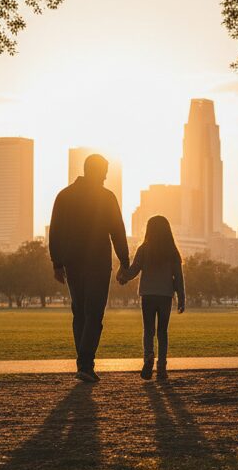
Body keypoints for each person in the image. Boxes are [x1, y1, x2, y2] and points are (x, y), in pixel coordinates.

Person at [48, 153, 129, 383]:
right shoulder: (106, 197)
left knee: (80, 312)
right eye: (104, 170)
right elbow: (118, 231)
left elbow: (55, 231)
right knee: (94, 313)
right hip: (98, 262)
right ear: (95, 170)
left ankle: (83, 363)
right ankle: (85, 363)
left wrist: (57, 262)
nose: (105, 175)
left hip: (73, 262)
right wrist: (124, 261)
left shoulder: (64, 196)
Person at [117, 215, 185, 379]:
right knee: (162, 331)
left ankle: (148, 357)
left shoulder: (144, 249)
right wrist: (181, 298)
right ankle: (162, 367)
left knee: (148, 330)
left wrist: (123, 276)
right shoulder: (172, 252)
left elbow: (134, 270)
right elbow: (178, 276)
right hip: (165, 295)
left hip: (148, 294)